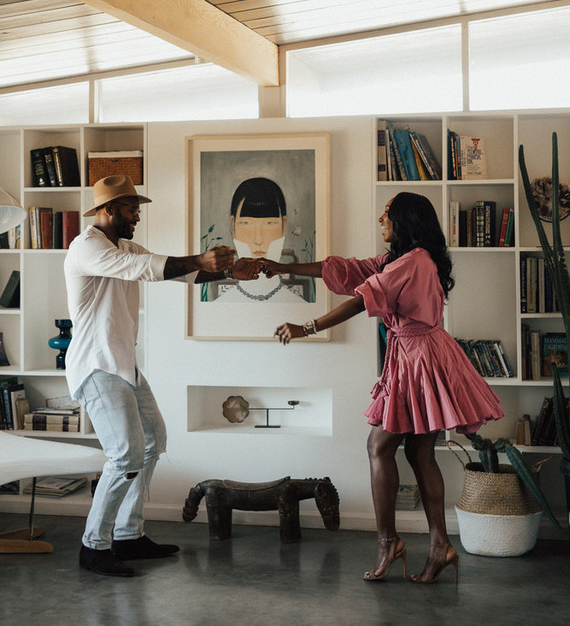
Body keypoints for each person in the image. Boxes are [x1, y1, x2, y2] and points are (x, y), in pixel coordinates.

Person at [260, 191, 504, 585]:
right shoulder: (398, 260)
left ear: (405, 220)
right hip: (418, 355)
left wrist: (307, 327)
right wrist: (280, 267)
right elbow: (345, 270)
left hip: (420, 357)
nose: (380, 220)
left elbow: (362, 299)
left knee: (381, 446)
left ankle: (391, 543)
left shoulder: (415, 261)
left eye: (387, 214)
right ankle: (437, 545)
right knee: (419, 451)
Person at [64, 174, 260, 578]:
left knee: (154, 441)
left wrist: (226, 272)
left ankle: (128, 535)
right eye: (131, 208)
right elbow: (142, 269)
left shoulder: (126, 246)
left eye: (137, 208)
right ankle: (93, 546)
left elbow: (176, 272)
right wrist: (200, 260)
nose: (137, 215)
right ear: (107, 210)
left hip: (123, 366)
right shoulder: (85, 247)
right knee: (125, 457)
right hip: (97, 367)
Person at [215, 177, 304, 303]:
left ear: (284, 225)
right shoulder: (220, 304)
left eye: (269, 223)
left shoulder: (298, 303)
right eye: (246, 223)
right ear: (232, 225)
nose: (258, 239)